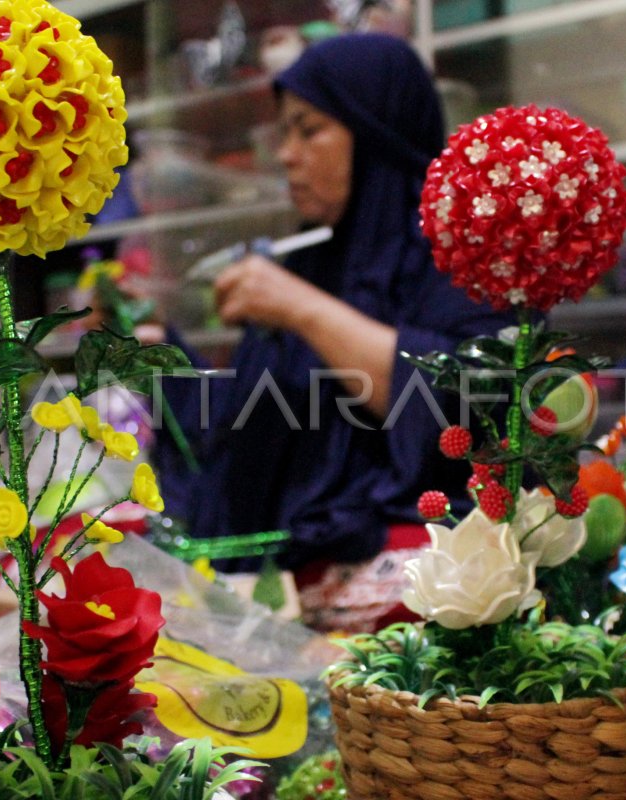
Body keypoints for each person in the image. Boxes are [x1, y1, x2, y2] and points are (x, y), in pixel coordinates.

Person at [155, 33, 513, 631]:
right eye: (284, 134)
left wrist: (304, 310)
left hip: (425, 624)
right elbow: (257, 428)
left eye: (309, 129)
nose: (287, 155)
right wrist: (155, 358)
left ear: (376, 131)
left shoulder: (458, 258)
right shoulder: (315, 262)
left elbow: (455, 405)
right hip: (283, 614)